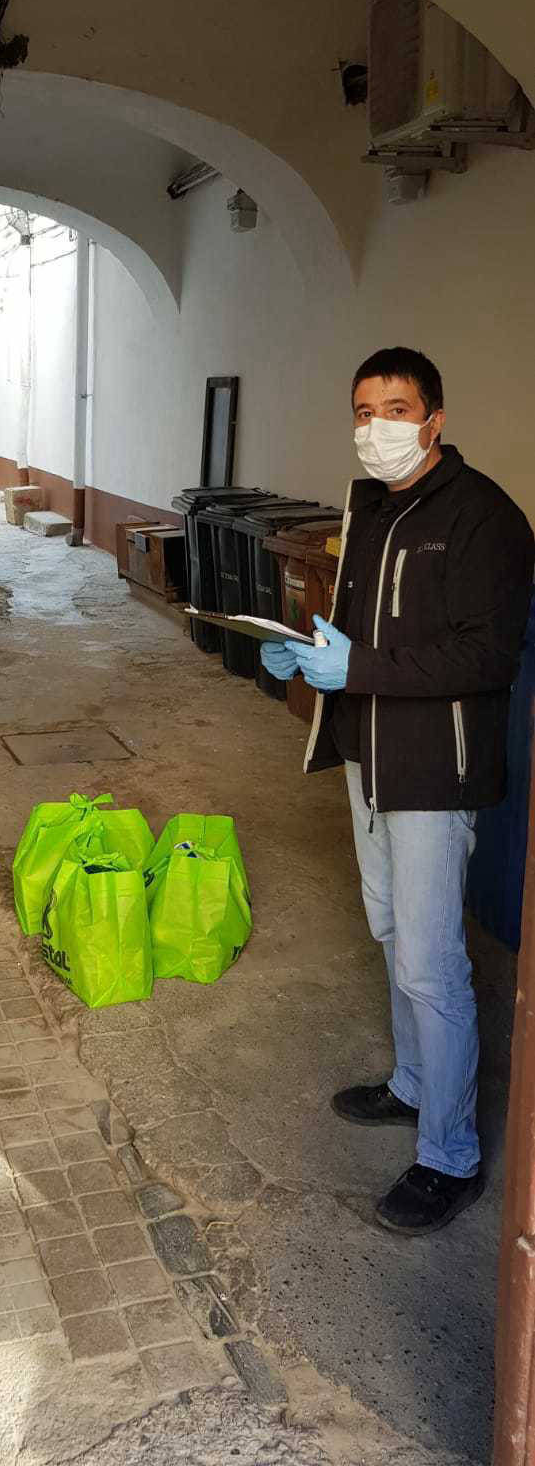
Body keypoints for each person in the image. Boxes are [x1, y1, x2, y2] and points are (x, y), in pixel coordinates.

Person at [261, 347, 534, 1236]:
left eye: (395, 409)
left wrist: (359, 668)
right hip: (365, 757)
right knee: (386, 929)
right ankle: (413, 1084)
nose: (374, 426)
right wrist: (308, 651)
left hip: (430, 772)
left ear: (433, 419)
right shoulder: (373, 508)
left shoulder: (483, 517)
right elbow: (361, 631)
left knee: (430, 963)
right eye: (362, 410)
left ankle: (449, 1155)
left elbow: (486, 657)